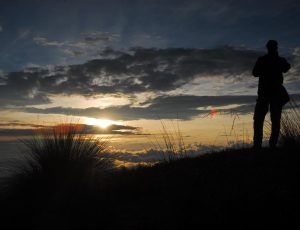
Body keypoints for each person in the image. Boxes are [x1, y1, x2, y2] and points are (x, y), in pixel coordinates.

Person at [252, 40, 291, 149]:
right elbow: (287, 67)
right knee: (273, 119)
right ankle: (270, 145)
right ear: (276, 48)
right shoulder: (278, 60)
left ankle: (258, 145)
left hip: (266, 94)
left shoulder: (263, 60)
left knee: (260, 119)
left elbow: (255, 73)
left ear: (268, 48)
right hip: (271, 94)